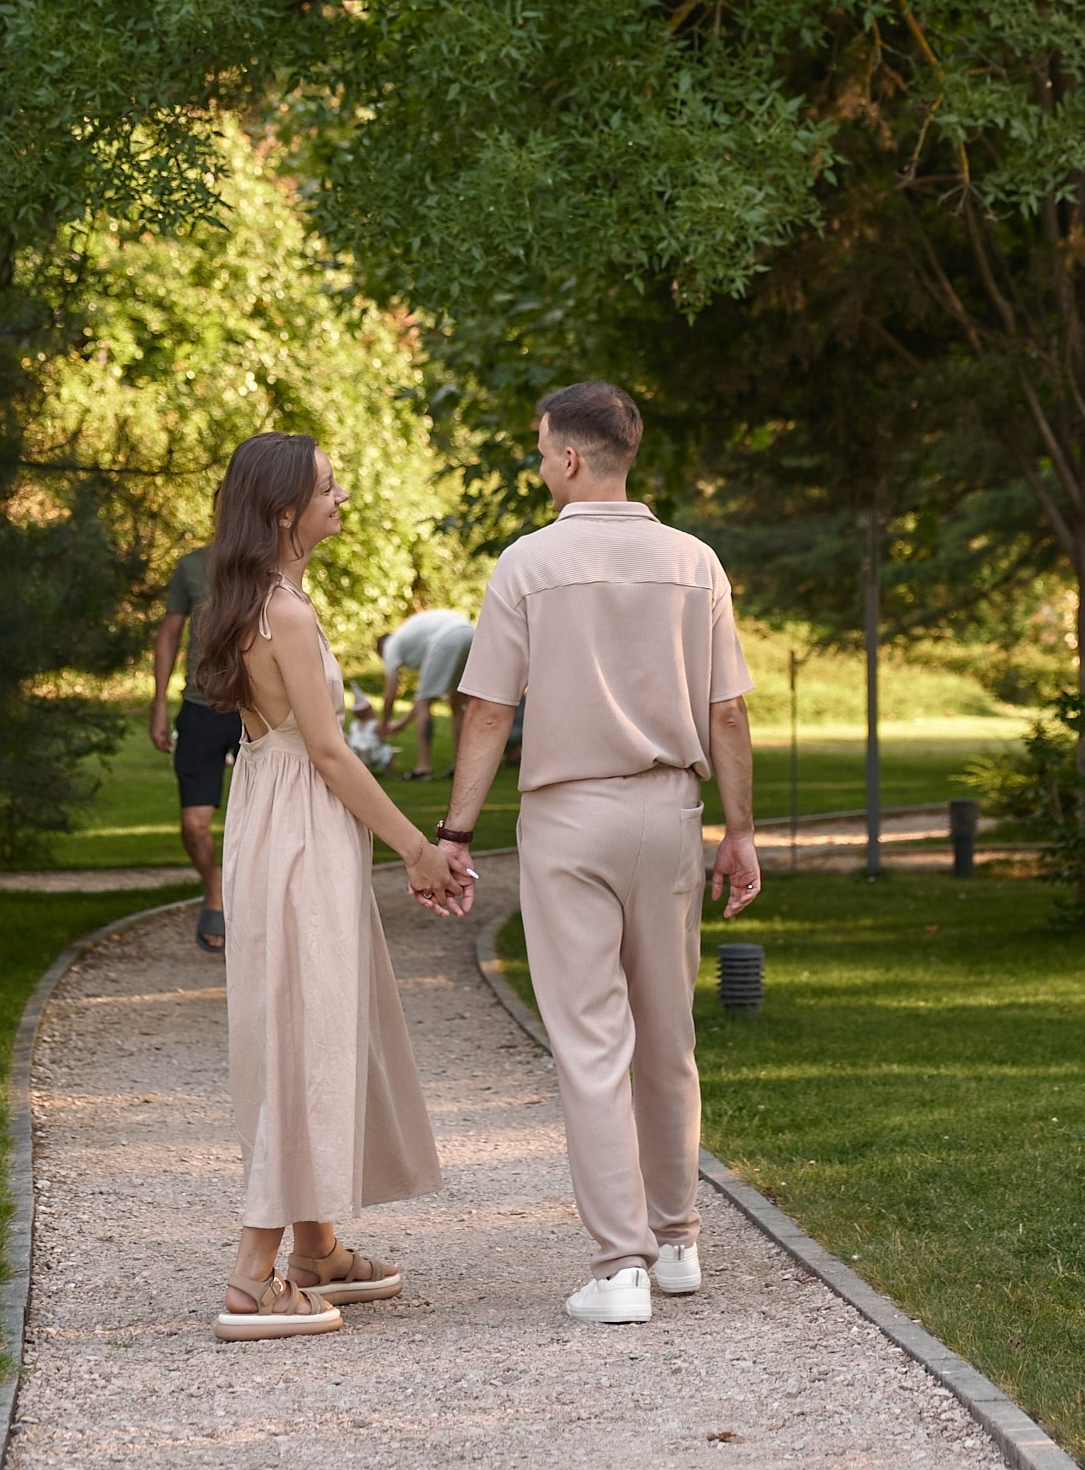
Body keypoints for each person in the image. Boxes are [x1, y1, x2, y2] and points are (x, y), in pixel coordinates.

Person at [435, 380, 760, 1326]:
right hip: (671, 813)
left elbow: (487, 710)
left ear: (570, 459)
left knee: (589, 1044)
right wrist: (739, 830)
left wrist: (455, 834)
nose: (541, 466)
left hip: (570, 818)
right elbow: (727, 712)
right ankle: (678, 1241)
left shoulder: (526, 564)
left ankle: (619, 1268)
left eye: (542, 452)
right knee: (668, 1036)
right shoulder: (696, 562)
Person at [194, 431, 475, 1341]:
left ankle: (315, 1249)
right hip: (301, 834)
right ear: (286, 512)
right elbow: (327, 751)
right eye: (327, 486)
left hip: (272, 825)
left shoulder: (251, 602)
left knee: (306, 1020)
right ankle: (252, 1276)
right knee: (303, 1036)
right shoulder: (285, 613)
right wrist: (417, 849)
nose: (342, 495)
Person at [148, 541, 242, 954]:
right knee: (194, 826)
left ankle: (259, 905)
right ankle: (215, 888)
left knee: (268, 821)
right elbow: (169, 634)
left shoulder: (270, 559)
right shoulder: (191, 567)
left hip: (257, 710)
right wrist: (158, 704)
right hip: (200, 710)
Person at [376, 601, 478, 779]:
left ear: (381, 649)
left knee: (424, 703)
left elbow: (391, 693)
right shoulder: (410, 637)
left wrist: (383, 723)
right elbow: (424, 696)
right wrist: (400, 724)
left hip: (448, 637)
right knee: (457, 703)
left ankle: (423, 768)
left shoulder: (391, 645)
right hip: (470, 633)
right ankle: (459, 766)